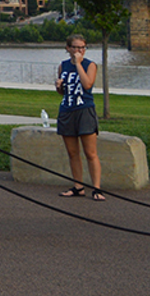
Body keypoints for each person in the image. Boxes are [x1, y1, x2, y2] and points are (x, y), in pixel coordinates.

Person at [56, 33, 103, 200]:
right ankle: (78, 186)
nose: (79, 50)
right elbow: (63, 91)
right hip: (67, 110)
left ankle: (96, 188)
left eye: (82, 47)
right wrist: (58, 86)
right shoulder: (62, 66)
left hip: (85, 110)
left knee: (90, 153)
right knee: (72, 152)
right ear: (68, 48)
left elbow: (87, 84)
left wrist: (78, 65)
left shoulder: (90, 65)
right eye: (75, 47)